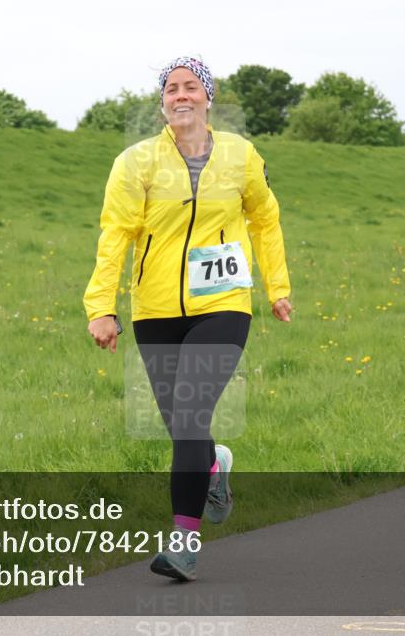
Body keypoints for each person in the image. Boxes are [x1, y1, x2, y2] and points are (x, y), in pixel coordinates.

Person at [84, 56, 292, 581]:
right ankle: (215, 465)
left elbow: (265, 220)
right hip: (155, 311)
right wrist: (101, 307)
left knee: (192, 411)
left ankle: (184, 543)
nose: (181, 95)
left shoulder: (242, 157)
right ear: (162, 102)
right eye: (171, 88)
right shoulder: (135, 162)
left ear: (207, 98)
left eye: (191, 87)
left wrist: (278, 287)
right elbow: (116, 235)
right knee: (183, 429)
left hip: (223, 303)